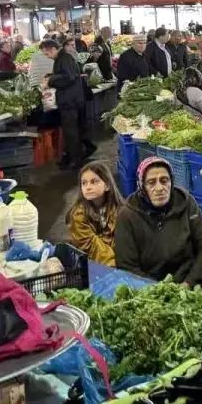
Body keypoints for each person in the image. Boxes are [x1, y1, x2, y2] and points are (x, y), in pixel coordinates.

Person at [115, 156, 202, 284]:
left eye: (164, 181)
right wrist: (159, 292)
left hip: (188, 282)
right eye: (151, 182)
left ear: (171, 182)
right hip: (148, 290)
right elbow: (127, 266)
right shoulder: (127, 215)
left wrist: (189, 283)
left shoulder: (185, 203)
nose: (159, 188)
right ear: (142, 186)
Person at [42, 38, 91, 169]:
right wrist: (51, 76)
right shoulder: (62, 59)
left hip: (70, 102)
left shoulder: (65, 58)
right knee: (72, 131)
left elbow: (68, 77)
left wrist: (51, 80)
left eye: (46, 53)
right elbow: (65, 75)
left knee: (71, 132)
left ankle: (76, 161)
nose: (47, 56)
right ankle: (71, 157)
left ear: (52, 49)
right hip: (71, 100)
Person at [66, 161, 125, 266]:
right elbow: (91, 247)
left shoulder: (120, 210)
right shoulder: (78, 215)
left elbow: (123, 241)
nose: (88, 187)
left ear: (107, 186)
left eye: (94, 182)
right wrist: (116, 266)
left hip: (120, 262)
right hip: (91, 265)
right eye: (84, 183)